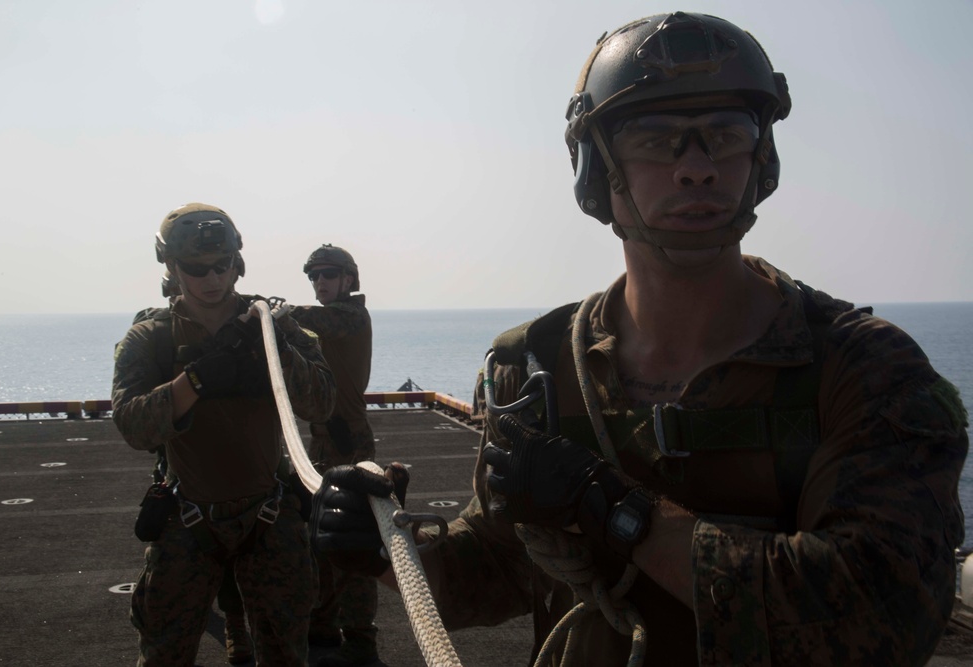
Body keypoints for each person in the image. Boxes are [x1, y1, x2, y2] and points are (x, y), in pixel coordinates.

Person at [309, 12, 970, 666]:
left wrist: (617, 511)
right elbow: (503, 563)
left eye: (725, 135)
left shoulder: (866, 371)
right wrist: (391, 548)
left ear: (760, 157)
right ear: (599, 168)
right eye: (656, 139)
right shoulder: (534, 365)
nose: (697, 169)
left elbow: (880, 616)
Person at [113, 202, 336, 666]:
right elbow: (132, 424)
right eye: (197, 269)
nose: (213, 279)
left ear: (238, 263)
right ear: (171, 268)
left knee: (286, 651)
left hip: (268, 515)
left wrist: (277, 353)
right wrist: (194, 381)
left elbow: (322, 404)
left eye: (223, 266)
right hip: (187, 516)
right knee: (164, 652)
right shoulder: (150, 337)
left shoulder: (274, 323)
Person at [290, 244, 379, 667]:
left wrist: (275, 312)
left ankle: (362, 639)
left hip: (350, 443)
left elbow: (311, 319)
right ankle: (323, 623)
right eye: (314, 276)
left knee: (355, 545)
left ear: (348, 279)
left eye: (327, 274)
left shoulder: (351, 316)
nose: (320, 282)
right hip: (323, 441)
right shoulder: (324, 323)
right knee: (318, 540)